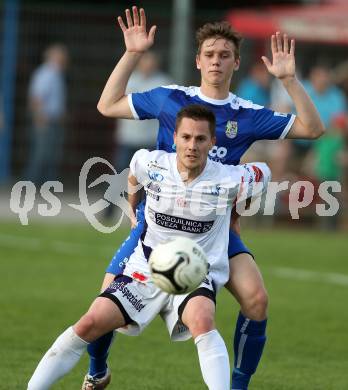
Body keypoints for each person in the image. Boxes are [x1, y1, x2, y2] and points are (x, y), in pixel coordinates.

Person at [86, 7, 324, 390]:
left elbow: (313, 129)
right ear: (198, 60)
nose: (216, 61)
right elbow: (107, 105)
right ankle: (97, 370)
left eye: (224, 55)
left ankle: (237, 386)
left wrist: (291, 81)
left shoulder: (247, 114)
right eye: (210, 54)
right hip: (159, 226)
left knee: (257, 300)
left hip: (214, 232)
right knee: (106, 296)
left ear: (236, 63)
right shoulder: (170, 99)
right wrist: (132, 54)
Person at [27, 104, 271, 390]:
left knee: (203, 320)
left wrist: (236, 216)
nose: (192, 145)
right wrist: (134, 215)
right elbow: (132, 177)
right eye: (186, 137)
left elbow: (262, 176)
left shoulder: (230, 178)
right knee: (89, 323)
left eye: (200, 139)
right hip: (145, 267)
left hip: (194, 273)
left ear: (212, 142)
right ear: (175, 138)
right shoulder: (150, 162)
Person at [25, 44, 69, 185]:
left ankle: (47, 187)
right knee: (41, 156)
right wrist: (39, 117)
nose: (66, 59)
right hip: (45, 120)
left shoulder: (56, 74)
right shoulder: (46, 74)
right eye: (62, 56)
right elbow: (37, 97)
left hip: (52, 121)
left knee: (50, 156)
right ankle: (29, 186)